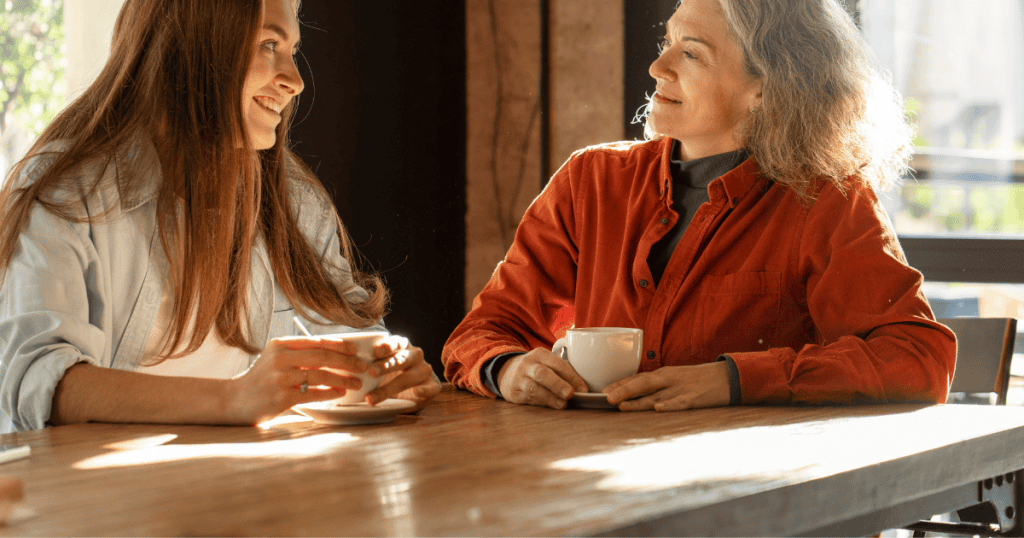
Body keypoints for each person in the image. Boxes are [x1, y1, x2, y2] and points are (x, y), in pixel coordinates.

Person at [442, 0, 956, 411]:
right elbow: (484, 332)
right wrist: (506, 368)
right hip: (592, 483)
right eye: (667, 42)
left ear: (765, 88)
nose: (657, 66)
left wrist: (731, 379)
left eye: (691, 53)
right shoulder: (589, 180)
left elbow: (916, 357)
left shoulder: (828, 200)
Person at [0, 0, 440, 432]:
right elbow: (39, 380)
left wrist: (387, 370)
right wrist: (234, 398)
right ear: (194, 42)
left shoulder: (293, 197)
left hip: (241, 490)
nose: (296, 81)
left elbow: (345, 333)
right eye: (270, 44)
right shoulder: (65, 188)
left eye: (293, 51)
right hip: (98, 500)